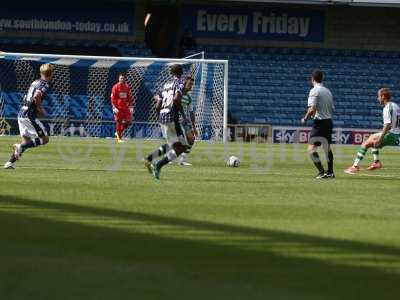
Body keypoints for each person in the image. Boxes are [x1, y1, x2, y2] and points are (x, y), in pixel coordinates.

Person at [4, 63, 54, 169]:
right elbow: (37, 96)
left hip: (21, 113)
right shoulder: (45, 84)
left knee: (27, 141)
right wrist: (40, 109)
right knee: (44, 139)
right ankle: (19, 146)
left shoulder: (35, 82)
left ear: (40, 72)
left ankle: (9, 163)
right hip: (29, 115)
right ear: (51, 74)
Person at [144, 64, 189, 180]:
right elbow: (176, 99)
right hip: (172, 117)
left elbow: (157, 102)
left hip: (163, 117)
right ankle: (158, 165)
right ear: (181, 73)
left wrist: (160, 115)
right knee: (182, 147)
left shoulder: (165, 85)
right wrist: (183, 115)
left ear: (171, 73)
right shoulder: (179, 83)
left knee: (172, 145)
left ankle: (149, 158)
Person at [344, 88, 400, 174]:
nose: (378, 99)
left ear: (383, 96)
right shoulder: (395, 105)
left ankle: (354, 167)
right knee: (372, 138)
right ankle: (376, 162)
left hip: (391, 134)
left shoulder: (387, 108)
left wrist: (380, 138)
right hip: (396, 133)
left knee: (365, 144)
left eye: (379, 96)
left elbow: (387, 125)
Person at [301, 69, 335, 179]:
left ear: (312, 79)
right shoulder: (328, 91)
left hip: (319, 123)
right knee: (327, 148)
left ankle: (321, 172)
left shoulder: (314, 91)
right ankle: (330, 172)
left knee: (311, 149)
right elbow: (332, 108)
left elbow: (312, 109)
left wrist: (305, 118)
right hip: (329, 121)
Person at [176, 76, 198, 166]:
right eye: (189, 84)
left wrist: (194, 127)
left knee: (191, 139)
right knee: (179, 141)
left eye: (192, 84)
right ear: (184, 83)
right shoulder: (177, 94)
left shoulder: (188, 98)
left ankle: (181, 160)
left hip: (184, 121)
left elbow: (191, 112)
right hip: (174, 120)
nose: (191, 86)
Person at [111, 74, 134, 143]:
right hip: (118, 107)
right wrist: (114, 107)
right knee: (119, 122)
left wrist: (131, 106)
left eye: (123, 78)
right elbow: (112, 98)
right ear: (118, 79)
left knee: (128, 121)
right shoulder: (115, 87)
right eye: (121, 78)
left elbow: (129, 97)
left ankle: (118, 132)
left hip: (125, 107)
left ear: (124, 79)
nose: (122, 79)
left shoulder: (126, 87)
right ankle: (119, 138)